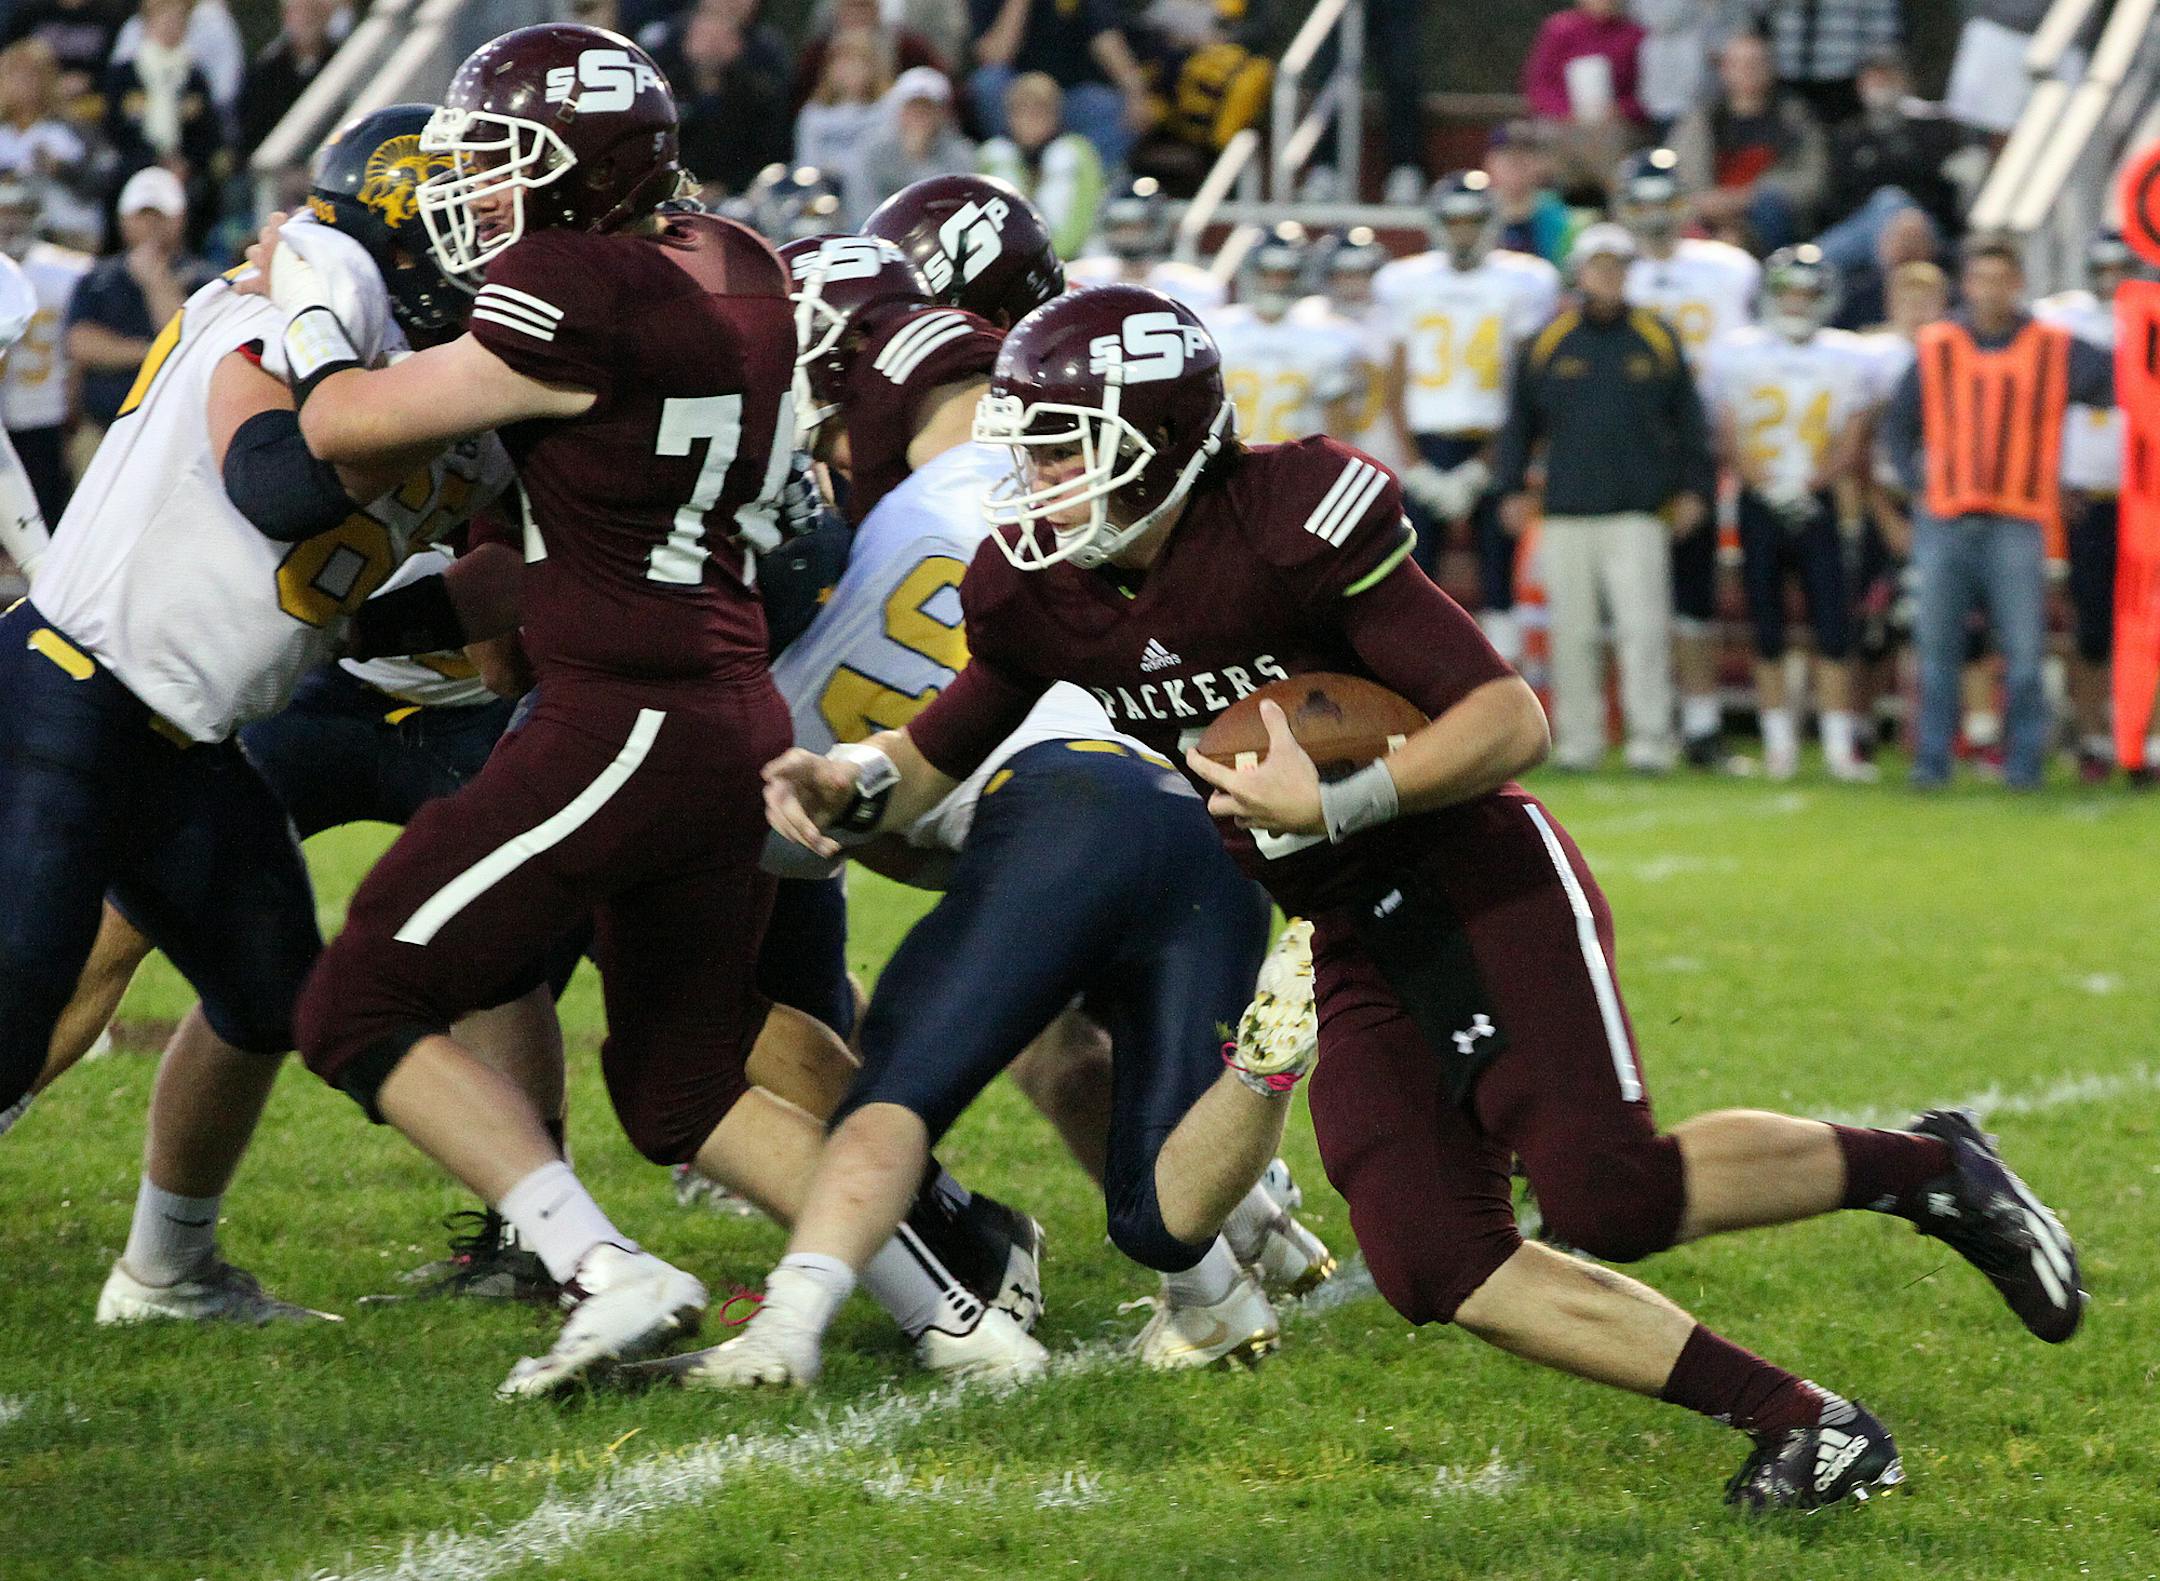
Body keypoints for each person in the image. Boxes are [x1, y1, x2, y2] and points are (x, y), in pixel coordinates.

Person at [763, 280, 2085, 1510]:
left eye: (1065, 445)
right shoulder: (1039, 589)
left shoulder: (1290, 517)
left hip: (1474, 869)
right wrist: (846, 776)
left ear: (1156, 438)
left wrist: (1337, 802)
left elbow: (1510, 719)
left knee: (1606, 1192)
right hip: (1344, 928)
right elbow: (933, 743)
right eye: (1031, 444)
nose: (1037, 478)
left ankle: (1929, 1168)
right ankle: (1807, 1423)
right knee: (1433, 1261)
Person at [266, 24, 1037, 1393]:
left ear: (589, 171)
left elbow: (339, 426)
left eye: (502, 160)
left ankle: (598, 1265)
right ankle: (960, 1318)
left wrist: (311, 294)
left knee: (358, 998)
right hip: (733, 711)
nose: (476, 188)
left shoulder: (571, 282)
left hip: (622, 712)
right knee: (682, 1088)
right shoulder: (735, 260)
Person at [660, 244, 1330, 1385]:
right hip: (1206, 818)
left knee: (900, 1085)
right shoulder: (1091, 518)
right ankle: (1231, 1266)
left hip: (1065, 809)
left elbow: (898, 786)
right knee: (1149, 1199)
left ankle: (797, 1326)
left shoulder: (912, 576)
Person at [0, 104, 510, 1331]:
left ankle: (173, 1270)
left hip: (221, 716)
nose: (492, 240)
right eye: (466, 213)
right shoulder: (312, 291)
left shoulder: (476, 365)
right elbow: (282, 486)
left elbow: (455, 602)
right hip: (90, 687)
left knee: (289, 990)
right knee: (25, 997)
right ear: (397, 218)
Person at [1881, 236, 2115, 791]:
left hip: (2018, 516)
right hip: (1945, 515)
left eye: (2000, 280)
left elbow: (2122, 383)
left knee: (2026, 652)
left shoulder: (2056, 345)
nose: (1990, 291)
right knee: (1936, 652)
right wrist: (1916, 483)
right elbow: (1898, 425)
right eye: (1980, 280)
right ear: (1966, 285)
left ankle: (2023, 768)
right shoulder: (1936, 344)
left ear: (2018, 284)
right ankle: (1931, 765)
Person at [1499, 221, 1711, 772]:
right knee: (1573, 636)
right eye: (1599, 266)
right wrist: (1513, 487)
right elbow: (1520, 423)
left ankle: (1650, 739)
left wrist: (1692, 489)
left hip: (1640, 507)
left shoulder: (1657, 337)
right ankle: (1579, 741)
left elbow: (1689, 422)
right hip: (1567, 508)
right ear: (1581, 272)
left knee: (1644, 631)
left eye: (1618, 266)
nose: (1609, 277)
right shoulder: (1549, 341)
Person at [1703, 244, 1876, 780]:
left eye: (1808, 293)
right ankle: (1780, 747)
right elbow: (1727, 432)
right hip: (1759, 501)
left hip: (1818, 500)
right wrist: (1764, 483)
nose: (1798, 303)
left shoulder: (1848, 355)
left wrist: (1813, 483)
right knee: (1768, 628)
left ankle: (1837, 747)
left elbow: (1854, 434)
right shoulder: (1736, 352)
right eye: (1789, 292)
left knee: (1833, 628)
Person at [1374, 169, 1561, 663]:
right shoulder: (1404, 280)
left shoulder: (1523, 279)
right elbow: (1393, 379)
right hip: (1427, 442)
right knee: (1415, 575)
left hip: (1494, 439)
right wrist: (1412, 462)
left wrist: (1491, 461)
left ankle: (1505, 690)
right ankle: (1423, 683)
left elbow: (1524, 386)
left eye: (1471, 220)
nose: (1462, 231)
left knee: (1499, 577)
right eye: (1453, 221)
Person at [1613, 147, 1758, 766]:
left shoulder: (1727, 269)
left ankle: (1700, 725)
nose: (1651, 215)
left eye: (1661, 201)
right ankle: (1639, 720)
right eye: (1640, 202)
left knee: (1695, 596)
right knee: (1628, 596)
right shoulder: (1610, 271)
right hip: (1629, 450)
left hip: (1698, 446)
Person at [2034, 232, 2140, 783]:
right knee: (2093, 627)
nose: (2111, 278)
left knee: (2148, 626)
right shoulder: (2065, 323)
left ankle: (2142, 734)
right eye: (2103, 267)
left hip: (2146, 498)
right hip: (2089, 498)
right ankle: (2095, 736)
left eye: (2121, 266)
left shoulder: (2148, 318)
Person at [64, 166, 212, 438]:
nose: (150, 225)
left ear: (179, 219)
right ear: (123, 220)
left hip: (178, 431)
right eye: (142, 216)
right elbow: (81, 344)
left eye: (159, 216)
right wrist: (152, 351)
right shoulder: (97, 278)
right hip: (103, 427)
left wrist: (155, 282)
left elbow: (191, 342)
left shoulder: (205, 279)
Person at [1668, 31, 1826, 251]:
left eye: (1756, 63)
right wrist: (1704, 202)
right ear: (1724, 69)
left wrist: (1747, 199)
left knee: (1769, 207)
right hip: (1707, 218)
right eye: (1739, 64)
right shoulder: (1700, 121)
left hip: (1764, 220)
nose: (1748, 71)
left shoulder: (1795, 119)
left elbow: (1813, 181)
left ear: (1771, 68)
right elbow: (1676, 176)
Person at [1212, 222, 1364, 447]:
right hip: (1230, 463)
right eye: (1267, 273)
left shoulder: (1328, 336)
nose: (1276, 282)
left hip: (1295, 469)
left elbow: (1338, 426)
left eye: (1285, 274)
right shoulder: (1217, 329)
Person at [966, 0, 1151, 171]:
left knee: (1113, 108)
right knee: (987, 82)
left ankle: (1073, 177)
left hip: (1067, 99)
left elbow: (1106, 38)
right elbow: (994, 56)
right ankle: (1009, 168)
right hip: (1013, 94)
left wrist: (1136, 92)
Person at [0, 173, 90, 523]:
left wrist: (73, 403)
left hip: (47, 412)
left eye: (15, 212)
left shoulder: (66, 271)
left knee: (46, 514)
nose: (8, 222)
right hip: (8, 413)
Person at [100, 0, 229, 233]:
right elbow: (114, 129)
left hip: (184, 169)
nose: (171, 26)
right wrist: (153, 160)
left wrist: (185, 163)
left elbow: (209, 134)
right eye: (164, 19)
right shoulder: (125, 75)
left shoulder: (195, 77)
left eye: (179, 20)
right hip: (135, 164)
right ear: (148, 24)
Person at [1520, 0, 1646, 196]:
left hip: (1614, 126)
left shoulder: (1635, 35)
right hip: (1563, 124)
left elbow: (1645, 94)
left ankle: (1618, 206)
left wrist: (1620, 109)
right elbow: (1538, 84)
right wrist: (1564, 113)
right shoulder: (1559, 29)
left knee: (1610, 143)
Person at [975, 71, 1103, 261]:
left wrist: (1049, 257)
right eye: (1021, 110)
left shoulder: (1077, 152)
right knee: (1000, 155)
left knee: (1062, 156)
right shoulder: (991, 156)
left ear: (1055, 114)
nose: (1030, 118)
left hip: (1067, 260)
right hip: (1010, 262)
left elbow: (1083, 218)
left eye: (1040, 110)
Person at [1064, 174, 1225, 317]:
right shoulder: (1079, 278)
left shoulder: (1194, 286)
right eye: (1121, 225)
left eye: (1138, 225)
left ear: (1156, 225)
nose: (1128, 234)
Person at [843, 65, 976, 226]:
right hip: (880, 233)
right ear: (899, 109)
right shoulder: (872, 148)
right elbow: (861, 207)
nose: (919, 116)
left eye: (927, 108)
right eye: (913, 107)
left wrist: (918, 158)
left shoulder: (961, 153)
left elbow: (960, 207)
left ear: (941, 113)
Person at [238, 0, 338, 159]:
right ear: (286, 17)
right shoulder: (267, 70)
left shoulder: (340, 60)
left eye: (313, 11)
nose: (307, 19)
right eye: (300, 12)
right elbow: (251, 131)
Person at [791, 26, 889, 179]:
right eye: (841, 62)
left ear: (873, 68)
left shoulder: (886, 110)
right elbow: (806, 165)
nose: (848, 70)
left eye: (856, 62)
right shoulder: (813, 114)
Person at [1485, 120, 1580, 268]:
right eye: (1507, 157)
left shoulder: (1564, 220)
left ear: (1542, 164)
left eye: (1525, 156)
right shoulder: (1475, 215)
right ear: (1490, 163)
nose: (1516, 163)